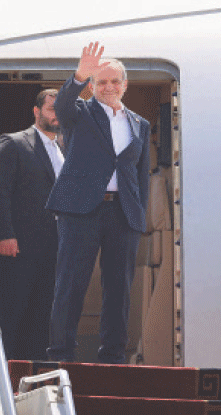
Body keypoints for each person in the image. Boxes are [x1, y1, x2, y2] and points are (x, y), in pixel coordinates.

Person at [46, 42, 150, 364]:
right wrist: (79, 75)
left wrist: (138, 214)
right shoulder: (79, 114)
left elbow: (140, 176)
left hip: (122, 213)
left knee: (119, 290)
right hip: (81, 212)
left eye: (114, 81)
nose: (108, 87)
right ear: (92, 86)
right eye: (101, 82)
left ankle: (113, 357)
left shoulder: (139, 124)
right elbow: (62, 104)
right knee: (71, 285)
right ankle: (62, 354)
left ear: (125, 85)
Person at [0, 89, 64, 361]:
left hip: (53, 250)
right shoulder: (13, 143)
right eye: (52, 109)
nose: (57, 115)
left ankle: (33, 376)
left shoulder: (65, 150)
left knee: (42, 320)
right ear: (37, 111)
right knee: (12, 316)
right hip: (18, 248)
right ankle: (3, 375)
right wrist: (4, 234)